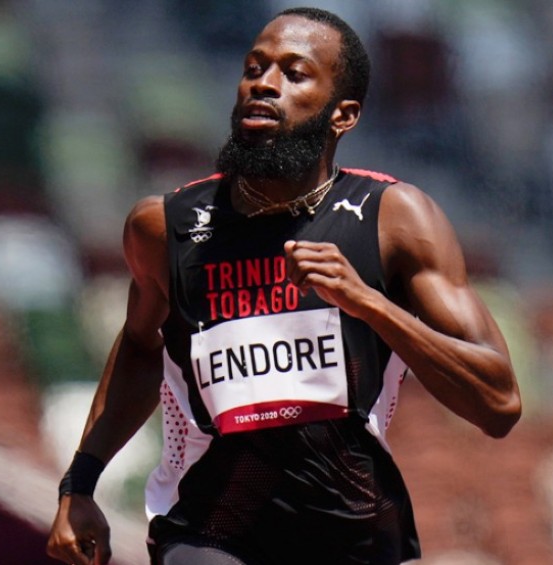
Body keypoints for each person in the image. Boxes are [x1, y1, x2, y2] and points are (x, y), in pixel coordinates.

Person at [46, 7, 521, 565]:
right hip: (208, 529)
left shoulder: (394, 220)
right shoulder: (164, 226)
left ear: (343, 114)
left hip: (355, 533)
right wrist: (80, 483)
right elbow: (139, 345)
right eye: (254, 68)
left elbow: (498, 402)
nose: (264, 85)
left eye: (294, 74)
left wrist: (369, 305)